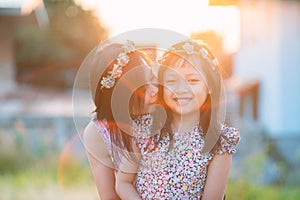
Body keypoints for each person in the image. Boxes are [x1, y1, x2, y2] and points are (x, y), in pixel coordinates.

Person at [116, 40, 241, 199]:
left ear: (209, 85)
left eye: (193, 81)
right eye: (172, 81)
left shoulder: (219, 140)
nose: (182, 90)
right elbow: (123, 183)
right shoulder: (144, 127)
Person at [83, 40, 158, 200]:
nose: (155, 90)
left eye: (153, 78)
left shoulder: (168, 112)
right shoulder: (99, 132)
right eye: (143, 88)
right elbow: (109, 196)